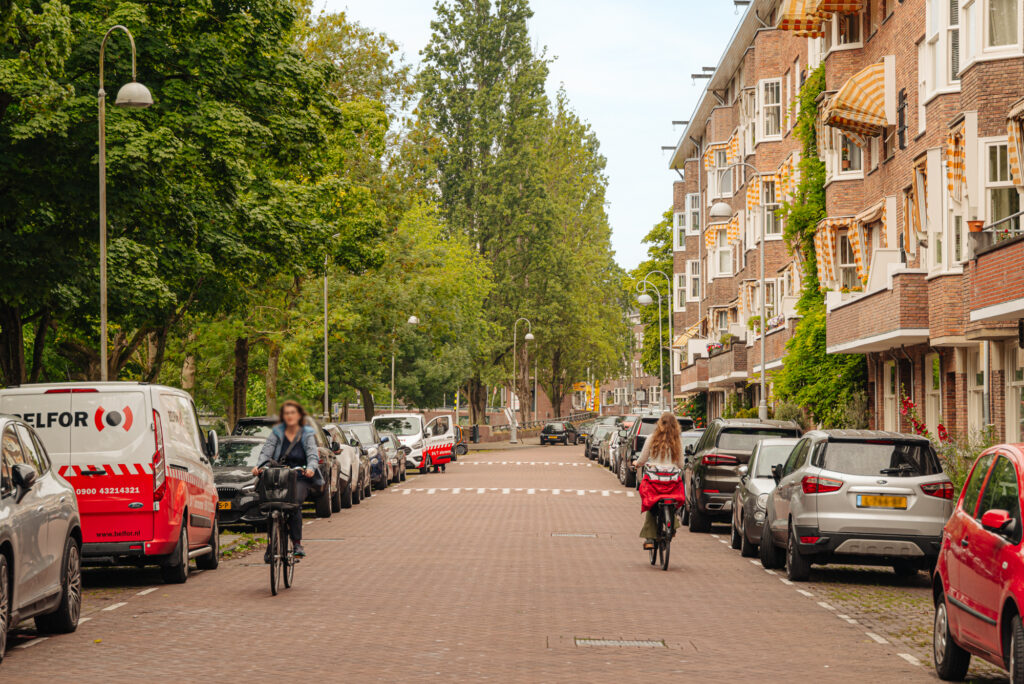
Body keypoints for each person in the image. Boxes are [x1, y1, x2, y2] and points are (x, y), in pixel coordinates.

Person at [252, 401, 322, 558]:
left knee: (294, 502)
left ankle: (297, 543)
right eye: (286, 413)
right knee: (271, 505)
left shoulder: (306, 433)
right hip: (279, 474)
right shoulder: (277, 432)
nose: (289, 416)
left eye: (293, 413)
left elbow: (312, 454)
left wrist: (310, 468)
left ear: (299, 416)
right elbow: (266, 452)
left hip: (299, 475)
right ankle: (271, 544)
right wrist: (259, 466)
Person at [632, 412, 684, 548]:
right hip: (671, 481)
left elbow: (643, 459)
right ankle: (671, 525)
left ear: (659, 424)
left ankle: (649, 538)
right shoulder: (677, 441)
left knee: (651, 503)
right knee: (671, 500)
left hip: (655, 481)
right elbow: (681, 465)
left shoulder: (651, 438)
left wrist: (636, 464)